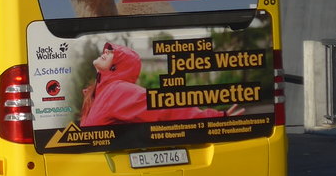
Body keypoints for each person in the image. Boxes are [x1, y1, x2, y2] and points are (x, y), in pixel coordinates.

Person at [78, 41, 243, 127]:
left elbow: (162, 107)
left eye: (112, 52)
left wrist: (215, 118)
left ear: (117, 66)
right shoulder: (100, 93)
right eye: (106, 50)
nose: (105, 52)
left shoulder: (116, 91)